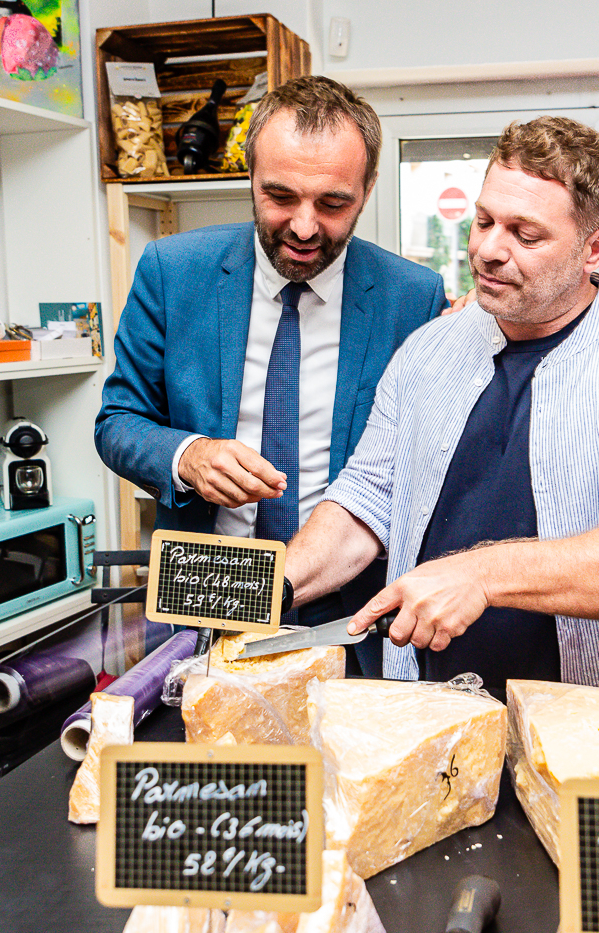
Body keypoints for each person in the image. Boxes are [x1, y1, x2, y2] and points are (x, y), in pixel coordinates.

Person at [277, 116, 599, 704]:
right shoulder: (428, 350)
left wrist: (480, 575)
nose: (488, 250)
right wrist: (260, 589)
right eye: (485, 221)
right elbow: (367, 501)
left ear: (596, 246)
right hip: (432, 717)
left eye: (526, 234)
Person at [96, 76, 447, 644]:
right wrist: (188, 456)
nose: (305, 227)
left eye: (334, 203)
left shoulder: (412, 297)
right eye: (280, 197)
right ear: (250, 175)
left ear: (369, 186)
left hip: (351, 607)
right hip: (206, 594)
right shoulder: (172, 270)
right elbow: (117, 422)